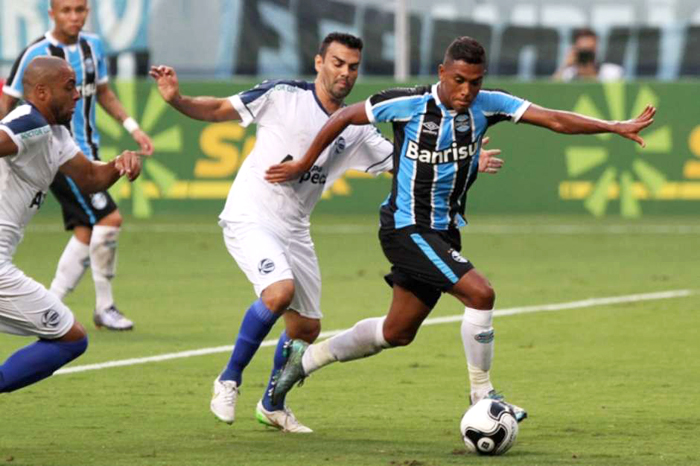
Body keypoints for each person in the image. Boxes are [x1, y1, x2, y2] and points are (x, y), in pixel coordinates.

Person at [265, 36, 656, 425]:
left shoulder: (490, 104)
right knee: (480, 294)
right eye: (458, 80)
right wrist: (303, 163)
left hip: (445, 231)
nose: (467, 91)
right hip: (407, 227)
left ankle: (307, 360)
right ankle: (484, 396)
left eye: (475, 82)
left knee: (397, 331)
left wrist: (613, 126)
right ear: (442, 73)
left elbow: (553, 119)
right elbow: (343, 117)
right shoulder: (408, 103)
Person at [150, 32, 506, 433]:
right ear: (319, 62)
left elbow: (407, 167)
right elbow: (216, 108)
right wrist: (176, 99)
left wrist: (466, 161)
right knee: (279, 292)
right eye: (337, 63)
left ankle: (272, 404)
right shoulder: (283, 95)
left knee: (306, 328)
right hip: (251, 215)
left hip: (295, 228)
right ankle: (228, 379)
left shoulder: (357, 129)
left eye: (353, 67)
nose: (345, 73)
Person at [0, 0, 154, 331]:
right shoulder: (36, 53)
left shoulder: (93, 46)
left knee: (86, 231)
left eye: (80, 10)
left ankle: (52, 303)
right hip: (45, 153)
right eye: (67, 10)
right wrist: (10, 147)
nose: (74, 17)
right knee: (109, 219)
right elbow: (9, 101)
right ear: (51, 13)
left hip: (80, 152)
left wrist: (133, 128)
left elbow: (104, 93)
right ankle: (104, 305)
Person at [0, 56, 142, 393]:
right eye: (69, 87)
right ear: (42, 92)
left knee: (70, 338)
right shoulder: (30, 122)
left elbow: (91, 178)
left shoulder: (56, 133)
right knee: (70, 337)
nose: (78, 94)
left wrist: (118, 164)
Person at [553, 28, 625, 82]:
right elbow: (550, 92)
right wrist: (565, 65)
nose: (586, 55)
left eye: (589, 50)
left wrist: (590, 73)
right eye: (583, 51)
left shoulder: (612, 72)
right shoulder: (567, 74)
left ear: (596, 49)